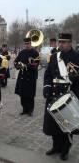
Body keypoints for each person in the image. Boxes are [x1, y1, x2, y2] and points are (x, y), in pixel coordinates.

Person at [43, 33, 79, 161]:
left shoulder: (77, 57)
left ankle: (65, 150)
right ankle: (56, 147)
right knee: (54, 124)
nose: (61, 44)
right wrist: (46, 87)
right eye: (60, 42)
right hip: (53, 94)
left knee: (66, 125)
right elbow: (47, 74)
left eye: (64, 42)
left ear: (70, 43)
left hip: (69, 95)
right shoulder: (54, 57)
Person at [14, 38, 39, 116]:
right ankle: (24, 109)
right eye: (25, 44)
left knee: (30, 94)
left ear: (30, 43)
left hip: (31, 76)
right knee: (22, 94)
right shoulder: (22, 52)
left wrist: (26, 66)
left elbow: (36, 64)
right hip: (22, 75)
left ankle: (30, 110)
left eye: (28, 44)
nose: (27, 45)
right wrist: (18, 65)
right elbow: (16, 61)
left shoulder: (35, 53)